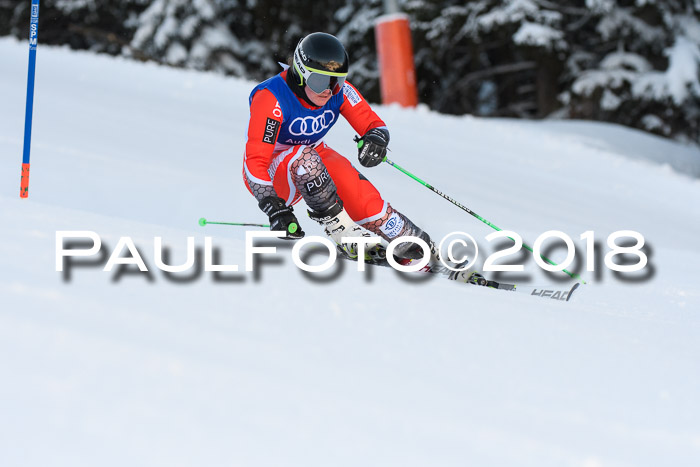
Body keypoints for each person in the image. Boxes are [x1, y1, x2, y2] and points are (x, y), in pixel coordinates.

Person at [242, 32, 441, 265]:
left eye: (336, 81)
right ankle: (343, 232)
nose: (328, 90)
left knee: (366, 201)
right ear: (299, 74)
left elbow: (373, 124)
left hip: (314, 161)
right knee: (305, 158)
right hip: (272, 177)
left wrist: (375, 140)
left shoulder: (339, 92)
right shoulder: (271, 98)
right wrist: (274, 207)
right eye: (319, 81)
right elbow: (254, 162)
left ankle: (420, 247)